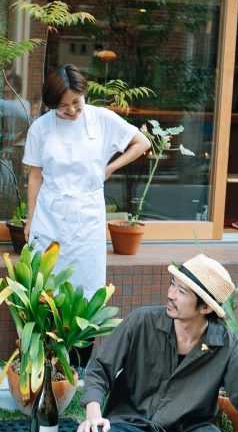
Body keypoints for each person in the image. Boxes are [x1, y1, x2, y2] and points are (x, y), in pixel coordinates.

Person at [76, 253, 238, 432]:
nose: (171, 294)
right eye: (173, 284)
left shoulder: (226, 346)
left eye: (182, 291)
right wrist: (93, 417)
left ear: (205, 307)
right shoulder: (141, 322)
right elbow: (99, 369)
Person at [23, 64, 151, 297]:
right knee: (44, 286)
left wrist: (109, 168)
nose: (71, 110)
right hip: (49, 215)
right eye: (63, 107)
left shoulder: (102, 118)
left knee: (86, 288)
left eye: (76, 103)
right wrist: (30, 219)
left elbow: (142, 142)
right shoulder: (40, 128)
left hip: (87, 216)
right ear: (51, 106)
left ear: (84, 95)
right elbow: (34, 175)